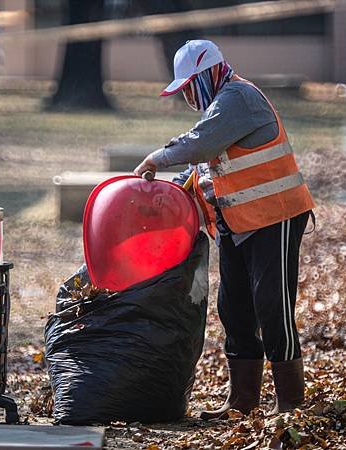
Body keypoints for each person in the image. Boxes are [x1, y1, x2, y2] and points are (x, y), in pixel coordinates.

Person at [134, 40, 315, 419]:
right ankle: (242, 402)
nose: (186, 95)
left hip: (275, 216)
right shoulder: (219, 107)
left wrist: (157, 157)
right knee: (234, 309)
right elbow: (204, 168)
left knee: (272, 306)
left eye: (188, 86)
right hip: (238, 223)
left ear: (206, 75)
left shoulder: (238, 98)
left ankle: (290, 403)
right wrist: (166, 190)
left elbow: (202, 144)